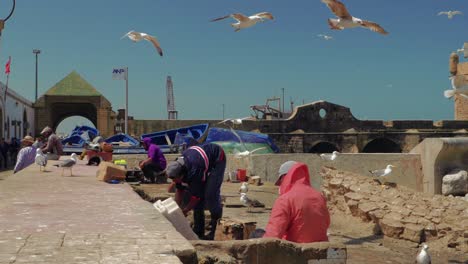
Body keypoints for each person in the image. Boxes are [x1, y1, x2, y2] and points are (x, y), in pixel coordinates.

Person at [166, 142, 226, 240]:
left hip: (217, 158)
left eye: (174, 179)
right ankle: (199, 231)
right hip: (200, 158)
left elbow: (197, 197)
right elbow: (179, 189)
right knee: (195, 197)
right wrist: (176, 209)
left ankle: (215, 228)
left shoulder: (195, 171)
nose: (173, 182)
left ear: (181, 175)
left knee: (210, 194)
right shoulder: (177, 166)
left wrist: (185, 210)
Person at [263, 161, 330, 243]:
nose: (280, 185)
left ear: (285, 177)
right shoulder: (319, 196)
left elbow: (273, 235)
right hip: (321, 248)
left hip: (296, 250)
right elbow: (326, 222)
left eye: (280, 181)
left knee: (257, 233)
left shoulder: (285, 199)